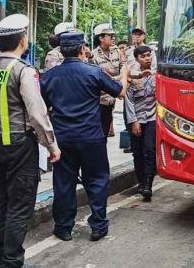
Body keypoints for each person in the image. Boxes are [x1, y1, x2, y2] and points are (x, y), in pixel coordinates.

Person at [0, 14, 61, 268]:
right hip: (19, 146)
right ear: (23, 41)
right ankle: (12, 261)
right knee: (19, 206)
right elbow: (37, 113)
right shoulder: (24, 71)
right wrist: (51, 145)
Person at [41, 32, 130, 242]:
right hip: (91, 137)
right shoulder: (93, 72)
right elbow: (120, 92)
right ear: (82, 50)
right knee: (97, 180)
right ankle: (98, 226)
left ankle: (63, 228)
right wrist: (125, 71)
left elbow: (42, 107)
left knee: (63, 182)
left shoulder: (50, 76)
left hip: (62, 139)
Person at [124, 46, 156, 200]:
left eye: (149, 55)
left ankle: (148, 184)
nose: (147, 58)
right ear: (137, 59)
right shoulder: (132, 76)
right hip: (137, 117)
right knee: (137, 152)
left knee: (150, 149)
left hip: (152, 117)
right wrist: (134, 121)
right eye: (143, 56)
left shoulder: (158, 74)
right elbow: (128, 100)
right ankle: (141, 181)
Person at [91, 23, 125, 138]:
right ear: (101, 38)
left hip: (112, 100)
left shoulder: (117, 51)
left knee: (105, 133)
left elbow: (124, 67)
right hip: (100, 102)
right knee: (100, 135)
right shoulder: (93, 56)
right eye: (110, 36)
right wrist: (118, 79)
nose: (113, 38)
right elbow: (97, 79)